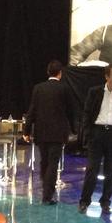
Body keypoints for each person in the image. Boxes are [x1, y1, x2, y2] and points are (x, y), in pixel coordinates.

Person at [79, 65, 112, 215]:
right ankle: (84, 201)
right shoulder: (94, 92)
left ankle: (105, 202)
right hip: (97, 133)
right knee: (92, 169)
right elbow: (87, 113)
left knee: (111, 171)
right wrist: (89, 133)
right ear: (106, 76)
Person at [24, 59, 77, 205]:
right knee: (53, 163)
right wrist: (74, 129)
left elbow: (32, 111)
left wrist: (26, 130)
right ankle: (47, 195)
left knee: (44, 161)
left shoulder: (38, 88)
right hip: (58, 133)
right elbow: (70, 111)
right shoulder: (65, 88)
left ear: (48, 72)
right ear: (60, 73)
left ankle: (45, 189)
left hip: (41, 132)